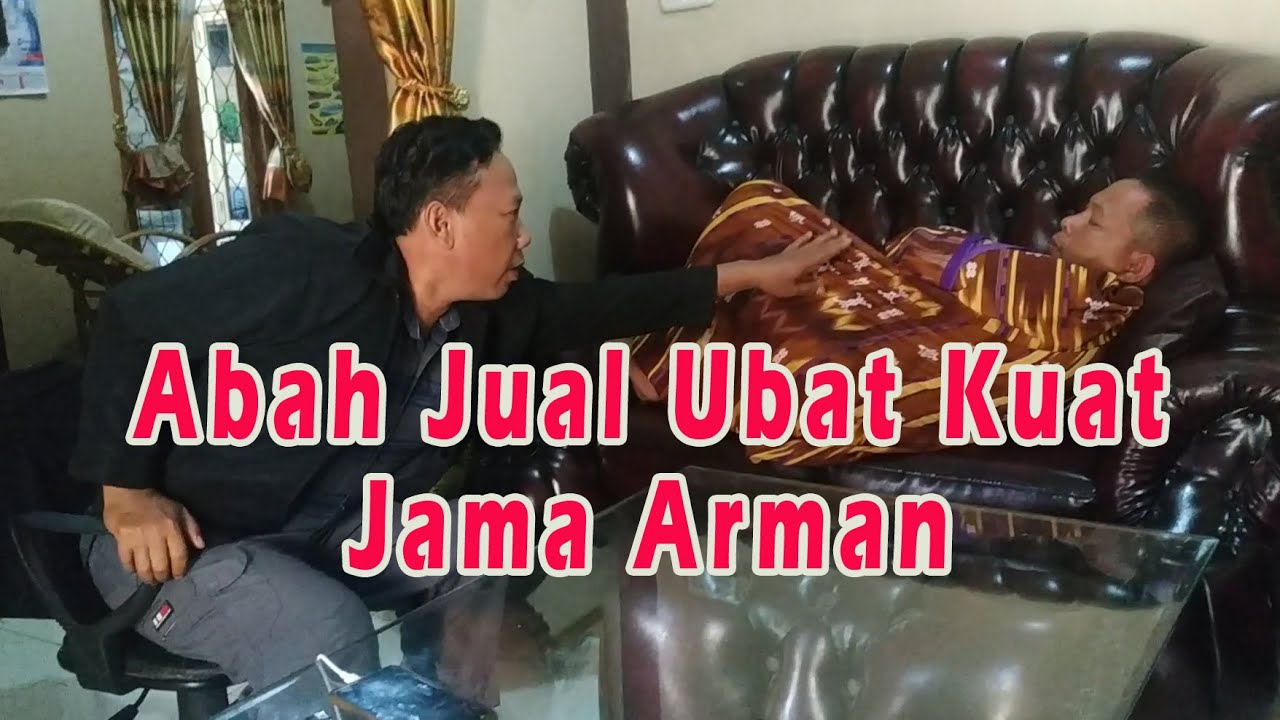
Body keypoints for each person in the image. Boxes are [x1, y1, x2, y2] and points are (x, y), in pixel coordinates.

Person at [69, 115, 850, 707]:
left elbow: (597, 305)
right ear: (442, 224)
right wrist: (126, 491)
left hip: (330, 534)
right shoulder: (305, 266)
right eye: (508, 217)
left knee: (479, 561)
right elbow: (133, 316)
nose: (524, 236)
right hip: (185, 542)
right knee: (326, 633)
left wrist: (751, 276)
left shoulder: (481, 312)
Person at [628, 169, 1206, 464]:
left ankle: (671, 367)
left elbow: (940, 272)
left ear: (1136, 266)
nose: (1070, 221)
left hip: (915, 345)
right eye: (1082, 210)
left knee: (765, 208)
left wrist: (913, 259)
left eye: (1094, 222)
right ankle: (680, 366)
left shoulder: (1087, 302)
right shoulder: (1056, 281)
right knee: (785, 261)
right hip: (902, 307)